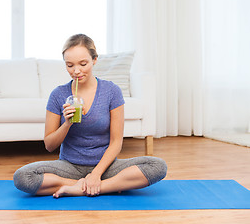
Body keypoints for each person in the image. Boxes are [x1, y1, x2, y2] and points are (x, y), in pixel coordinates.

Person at [13, 34, 167, 198]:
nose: (76, 71)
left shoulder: (111, 91)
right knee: (22, 177)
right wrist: (66, 123)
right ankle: (98, 186)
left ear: (94, 60)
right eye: (70, 65)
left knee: (157, 166)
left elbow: (116, 142)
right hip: (69, 166)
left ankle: (85, 187)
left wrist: (96, 175)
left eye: (83, 64)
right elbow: (49, 145)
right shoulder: (58, 95)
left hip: (106, 166)